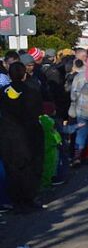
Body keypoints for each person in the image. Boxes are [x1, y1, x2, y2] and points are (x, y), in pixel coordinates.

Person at [0, 62, 45, 213]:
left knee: (11, 170)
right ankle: (28, 199)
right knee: (28, 168)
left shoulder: (3, 91)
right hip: (27, 134)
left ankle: (16, 201)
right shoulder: (31, 91)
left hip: (7, 136)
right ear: (24, 74)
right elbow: (38, 111)